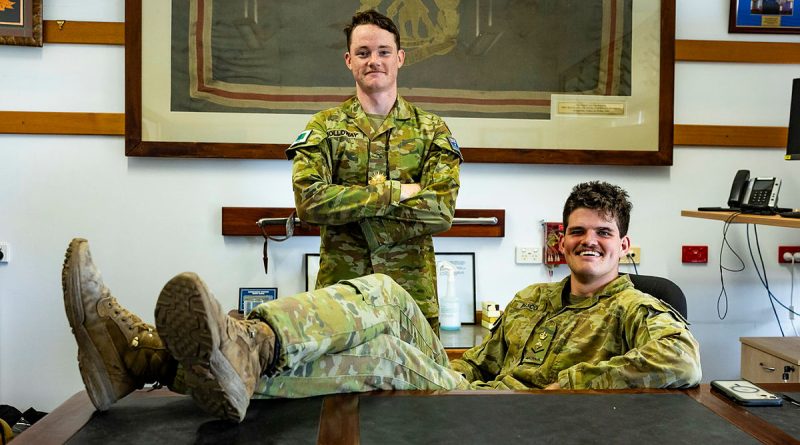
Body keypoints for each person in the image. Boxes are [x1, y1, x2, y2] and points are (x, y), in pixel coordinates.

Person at [62, 181, 701, 423]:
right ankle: (235, 346)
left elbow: (681, 361)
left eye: (603, 234)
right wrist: (466, 376)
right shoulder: (533, 298)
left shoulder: (636, 309)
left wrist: (558, 388)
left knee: (389, 354)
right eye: (578, 231)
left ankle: (148, 357)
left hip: (517, 418)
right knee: (389, 296)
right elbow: (479, 365)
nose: (589, 242)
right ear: (561, 240)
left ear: (625, 246)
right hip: (474, 395)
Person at [285, 10, 462, 333]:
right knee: (341, 384)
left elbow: (440, 211)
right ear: (349, 60)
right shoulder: (325, 127)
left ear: (400, 58)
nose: (374, 61)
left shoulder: (431, 129)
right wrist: (396, 192)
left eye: (384, 52)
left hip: (411, 300)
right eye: (363, 53)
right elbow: (309, 203)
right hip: (341, 298)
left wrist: (351, 211)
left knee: (419, 384)